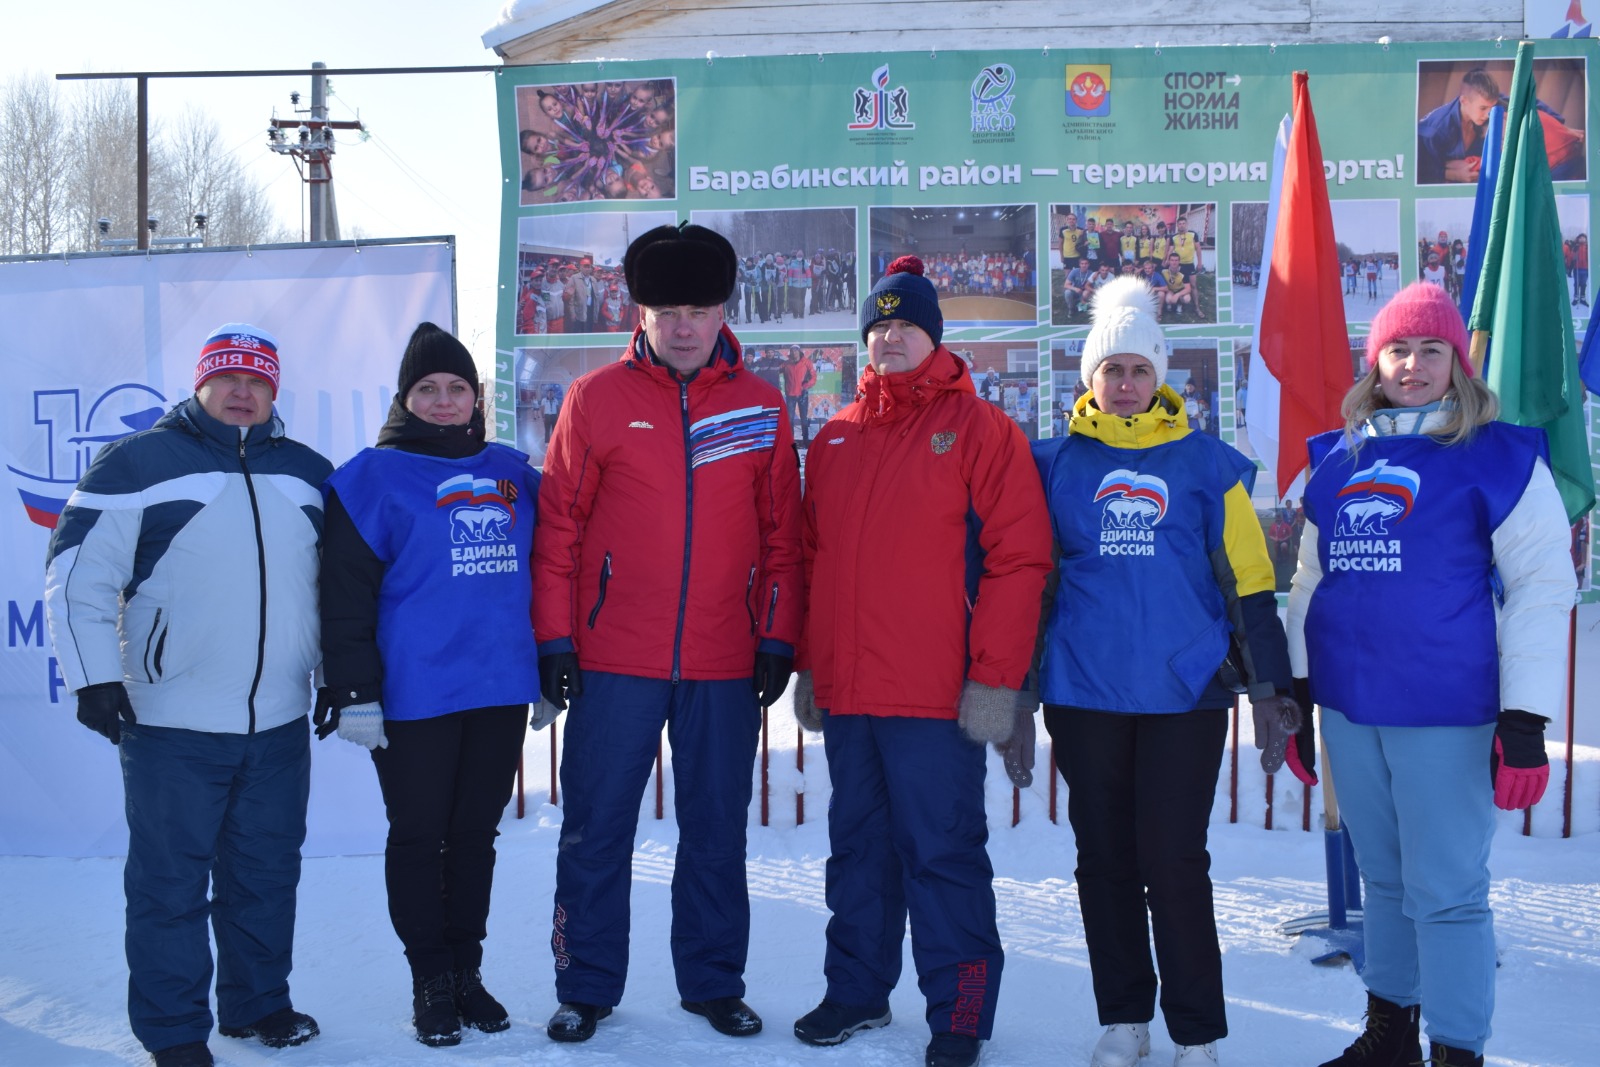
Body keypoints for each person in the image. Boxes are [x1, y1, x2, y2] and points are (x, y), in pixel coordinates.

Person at [1285, 283, 1574, 1067]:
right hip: (1350, 708)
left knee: (1445, 892)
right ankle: (1391, 1034)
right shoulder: (1336, 458)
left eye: (1432, 349)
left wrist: (1525, 719)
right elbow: (1311, 584)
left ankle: (1456, 1050)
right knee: (1383, 880)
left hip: (1450, 712)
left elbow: (1545, 586)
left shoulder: (1499, 456)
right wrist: (1299, 693)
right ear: (1373, 361)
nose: (1413, 365)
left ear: (1459, 361)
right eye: (1397, 349)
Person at [532, 223, 803, 1044]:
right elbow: (559, 527)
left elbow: (783, 534)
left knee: (716, 829)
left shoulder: (760, 404)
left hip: (723, 658)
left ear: (724, 309)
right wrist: (555, 640)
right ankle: (585, 984)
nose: (684, 325)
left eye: (700, 308)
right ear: (639, 311)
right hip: (615, 656)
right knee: (596, 827)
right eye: (667, 309)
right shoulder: (596, 399)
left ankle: (714, 981)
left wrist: (776, 635)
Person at [45, 324, 331, 1067]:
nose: (243, 392)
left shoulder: (308, 472)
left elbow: (339, 590)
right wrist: (93, 676)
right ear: (200, 384)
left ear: (275, 389)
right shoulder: (138, 462)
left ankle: (258, 1002)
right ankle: (174, 1031)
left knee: (266, 872)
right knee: (170, 882)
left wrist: (340, 679)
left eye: (258, 380)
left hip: (278, 719)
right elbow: (78, 573)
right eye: (228, 378)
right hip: (171, 720)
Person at [791, 256, 1052, 1067]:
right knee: (857, 847)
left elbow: (1020, 562)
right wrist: (811, 667)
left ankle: (960, 1013)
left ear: (934, 336)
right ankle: (858, 990)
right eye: (878, 326)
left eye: (905, 324)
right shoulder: (834, 437)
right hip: (853, 692)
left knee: (942, 854)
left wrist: (996, 683)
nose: (890, 336)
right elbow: (811, 560)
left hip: (938, 695)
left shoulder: (981, 431)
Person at [1031, 278, 1298, 1067]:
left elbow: (1249, 580)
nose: (1124, 383)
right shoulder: (1053, 465)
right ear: (1089, 378)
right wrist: (1010, 688)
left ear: (1161, 376)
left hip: (1186, 695)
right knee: (1103, 855)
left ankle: (1198, 1031)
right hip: (1084, 692)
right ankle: (1123, 1019)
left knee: (1174, 859)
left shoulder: (1206, 465)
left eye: (1138, 369)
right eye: (1109, 369)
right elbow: (1028, 579)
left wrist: (1272, 688)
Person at [317, 323, 541, 1047]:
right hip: (415, 693)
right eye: (428, 389)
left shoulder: (515, 471)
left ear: (476, 397)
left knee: (475, 835)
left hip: (499, 686)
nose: (444, 401)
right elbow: (345, 596)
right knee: (420, 836)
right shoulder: (368, 478)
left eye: (457, 388)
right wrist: (355, 691)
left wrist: (550, 659)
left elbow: (553, 564)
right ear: (405, 399)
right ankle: (430, 979)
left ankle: (467, 971)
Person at [780, 344, 819, 445]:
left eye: (796, 350)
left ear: (799, 351)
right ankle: (791, 441)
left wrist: (806, 386)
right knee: (790, 419)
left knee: (804, 419)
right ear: (790, 352)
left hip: (802, 394)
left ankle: (805, 440)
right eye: (792, 351)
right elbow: (775, 371)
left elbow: (814, 377)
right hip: (790, 395)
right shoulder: (786, 363)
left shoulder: (807, 362)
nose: (794, 352)